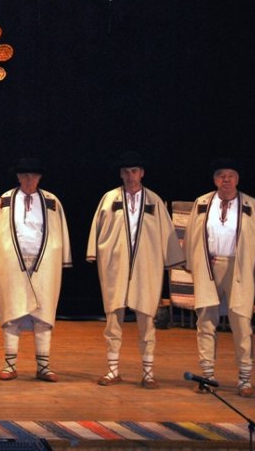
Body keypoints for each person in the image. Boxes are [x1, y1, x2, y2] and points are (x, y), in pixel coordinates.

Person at [86, 151, 185, 389]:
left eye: (134, 171)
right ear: (121, 174)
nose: (130, 176)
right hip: (115, 265)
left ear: (142, 173)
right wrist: (94, 252)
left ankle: (148, 373)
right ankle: (112, 370)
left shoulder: (154, 201)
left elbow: (166, 232)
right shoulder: (109, 199)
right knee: (113, 318)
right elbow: (97, 228)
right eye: (126, 172)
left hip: (145, 266)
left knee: (147, 319)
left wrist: (173, 259)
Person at [183, 158, 255, 398]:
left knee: (241, 323)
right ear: (215, 179)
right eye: (221, 175)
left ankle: (245, 379)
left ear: (237, 179)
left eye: (230, 175)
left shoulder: (251, 205)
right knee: (206, 321)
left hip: (238, 268)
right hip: (209, 266)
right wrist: (193, 263)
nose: (226, 180)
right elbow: (192, 235)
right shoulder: (202, 203)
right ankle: (207, 376)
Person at [0, 157, 71, 382]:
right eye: (24, 175)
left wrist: (62, 258)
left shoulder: (51, 201)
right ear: (18, 177)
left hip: (44, 263)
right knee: (11, 312)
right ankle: (10, 365)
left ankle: (43, 366)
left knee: (43, 313)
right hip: (13, 262)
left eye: (33, 175)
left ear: (39, 177)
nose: (29, 179)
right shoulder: (4, 201)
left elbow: (60, 231)